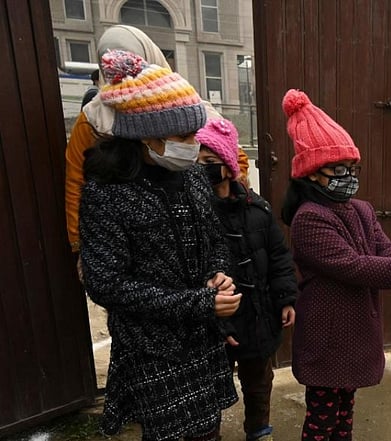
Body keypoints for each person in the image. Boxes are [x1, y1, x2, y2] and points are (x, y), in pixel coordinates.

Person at [280, 89, 391, 441]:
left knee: (345, 415)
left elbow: (385, 248)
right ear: (313, 173)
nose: (348, 175)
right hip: (326, 336)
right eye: (339, 168)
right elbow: (356, 267)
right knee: (322, 420)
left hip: (354, 331)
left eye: (352, 167)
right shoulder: (309, 219)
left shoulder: (360, 209)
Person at [79, 49, 241, 441]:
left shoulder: (193, 178)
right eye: (183, 137)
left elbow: (215, 239)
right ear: (145, 136)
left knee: (208, 431)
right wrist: (197, 303)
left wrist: (219, 274)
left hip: (202, 340)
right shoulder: (107, 194)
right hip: (153, 351)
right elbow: (105, 282)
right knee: (166, 433)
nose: (192, 145)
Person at [66, 24, 250, 256]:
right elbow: (76, 184)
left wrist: (230, 197)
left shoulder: (185, 105)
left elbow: (235, 156)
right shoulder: (93, 121)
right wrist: (80, 247)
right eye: (183, 136)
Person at [195, 117, 297, 441]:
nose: (201, 169)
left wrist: (285, 299)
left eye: (209, 162)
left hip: (258, 317)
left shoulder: (258, 209)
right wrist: (217, 321)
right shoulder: (195, 214)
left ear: (227, 165)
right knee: (209, 389)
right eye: (197, 162)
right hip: (215, 323)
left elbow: (280, 258)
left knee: (258, 383)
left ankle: (259, 431)